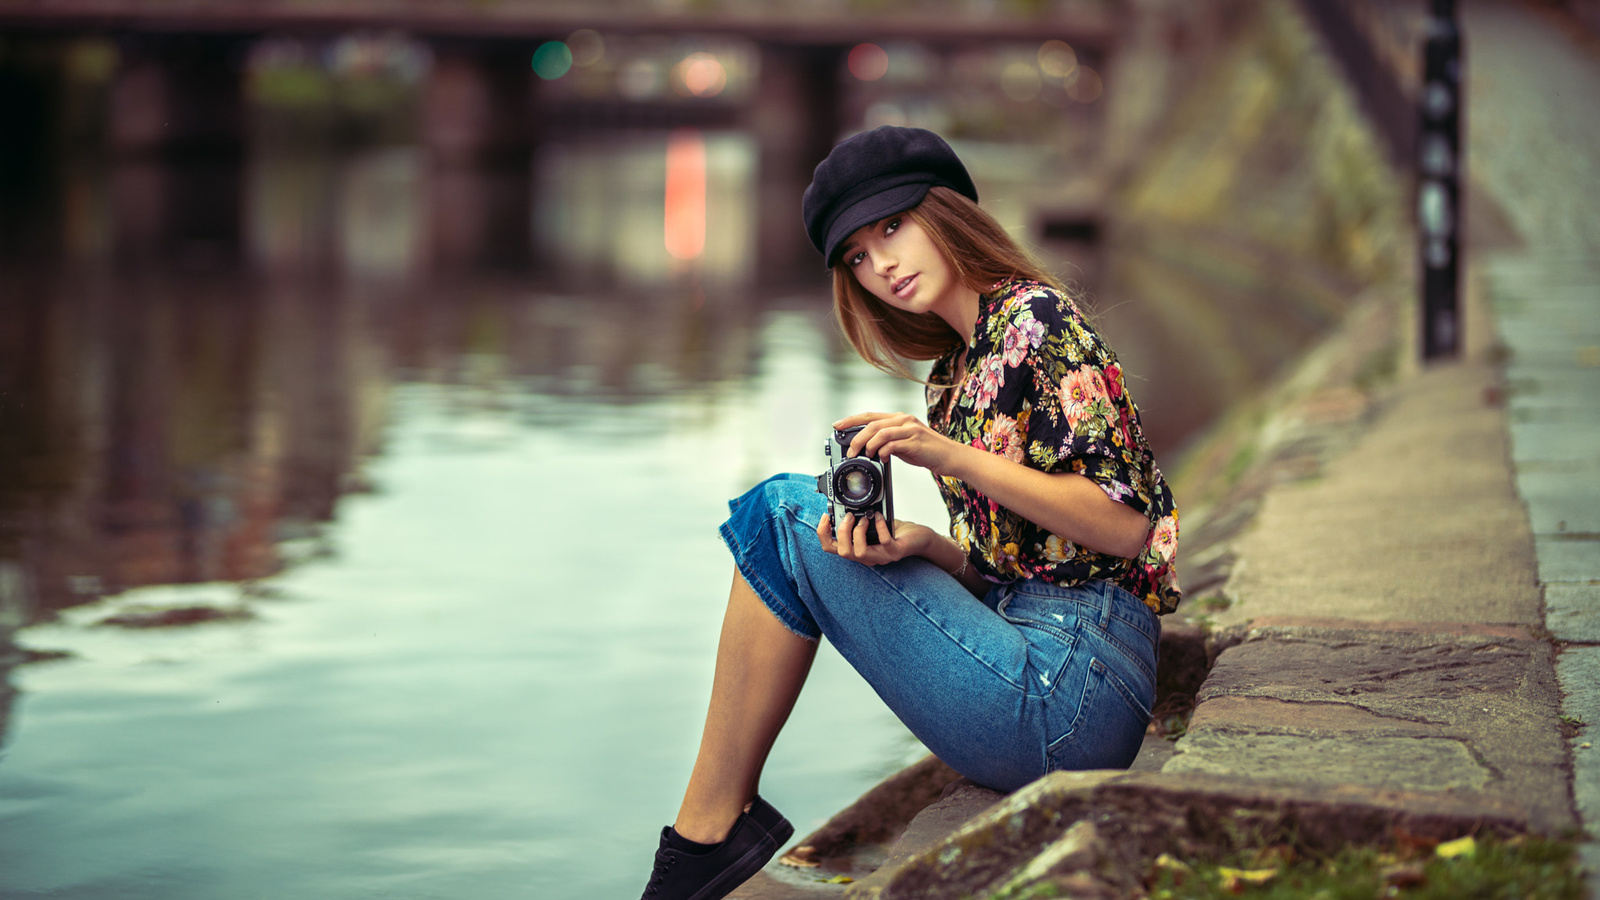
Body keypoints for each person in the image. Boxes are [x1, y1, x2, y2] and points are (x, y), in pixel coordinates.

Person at [637, 126, 1181, 900]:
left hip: (1075, 690)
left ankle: (705, 836)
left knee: (783, 511)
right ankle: (710, 833)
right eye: (857, 256)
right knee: (810, 525)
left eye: (892, 227)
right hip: (1039, 655)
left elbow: (1123, 526)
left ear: (947, 211)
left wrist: (948, 457)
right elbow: (1023, 567)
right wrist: (927, 546)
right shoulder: (953, 371)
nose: (881, 264)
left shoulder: (1037, 319)